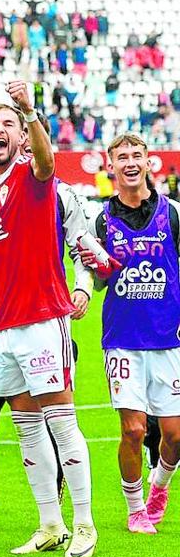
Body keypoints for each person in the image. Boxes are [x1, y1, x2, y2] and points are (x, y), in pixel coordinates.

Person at [0, 82, 97, 557]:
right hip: (3, 327)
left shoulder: (33, 177)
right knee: (27, 428)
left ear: (20, 137)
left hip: (42, 319)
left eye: (7, 125)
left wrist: (29, 111)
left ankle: (84, 524)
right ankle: (49, 524)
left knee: (62, 422)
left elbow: (48, 162)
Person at [87, 133, 180, 533]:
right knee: (134, 429)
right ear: (111, 165)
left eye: (136, 155)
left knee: (174, 437)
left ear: (148, 162)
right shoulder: (100, 220)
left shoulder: (173, 212)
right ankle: (135, 507)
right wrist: (84, 289)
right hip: (123, 339)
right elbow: (92, 273)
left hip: (169, 338)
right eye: (121, 156)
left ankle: (159, 486)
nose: (129, 162)